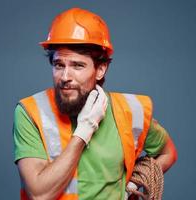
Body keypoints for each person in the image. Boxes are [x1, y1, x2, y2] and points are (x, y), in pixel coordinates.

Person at [13, 7, 177, 200]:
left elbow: (169, 153)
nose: (65, 77)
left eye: (77, 66)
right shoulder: (31, 112)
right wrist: (84, 131)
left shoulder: (130, 110)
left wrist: (133, 182)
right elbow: (39, 194)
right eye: (59, 65)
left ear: (100, 69)